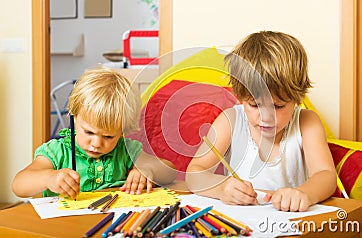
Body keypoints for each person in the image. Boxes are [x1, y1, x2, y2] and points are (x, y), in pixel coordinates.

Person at [186, 31, 336, 212]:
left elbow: (326, 175)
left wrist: (304, 193)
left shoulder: (306, 122)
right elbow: (194, 173)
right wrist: (221, 188)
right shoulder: (231, 120)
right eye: (254, 105)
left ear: (297, 98)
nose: (266, 117)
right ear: (240, 98)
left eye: (278, 106)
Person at [12, 68, 177, 199]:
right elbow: (19, 185)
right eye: (89, 132)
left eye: (108, 136)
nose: (97, 143)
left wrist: (148, 170)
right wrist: (48, 178)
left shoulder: (125, 150)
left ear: (122, 132)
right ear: (74, 117)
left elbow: (170, 171)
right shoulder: (57, 151)